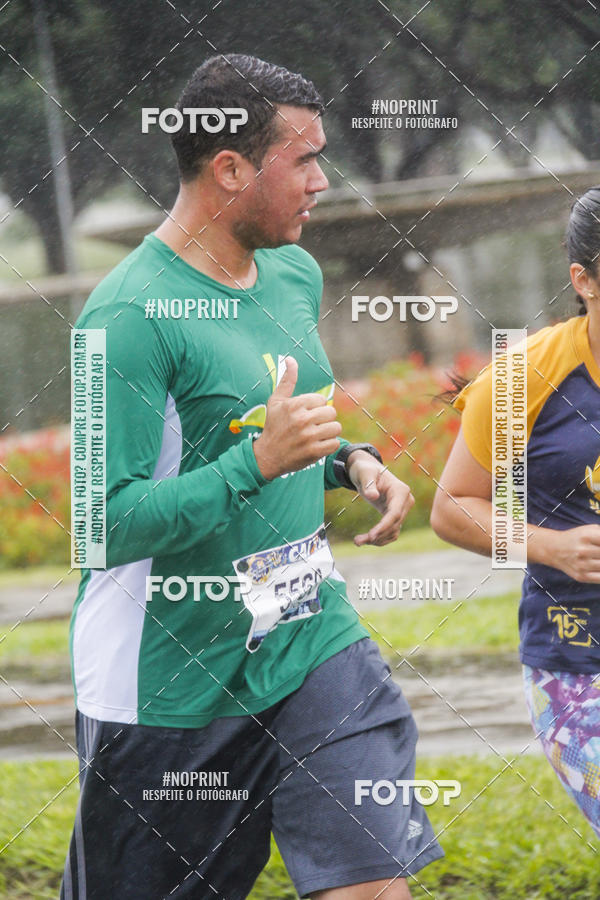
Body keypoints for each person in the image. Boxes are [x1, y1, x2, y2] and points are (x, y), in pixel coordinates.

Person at [61, 54, 443, 900]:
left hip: (308, 636)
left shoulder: (292, 273)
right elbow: (99, 524)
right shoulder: (124, 319)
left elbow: (288, 408)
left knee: (373, 885)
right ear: (230, 169)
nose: (321, 179)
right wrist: (254, 464)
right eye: (303, 159)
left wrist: (353, 459)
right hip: (169, 680)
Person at [431, 186, 600, 838]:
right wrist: (551, 547)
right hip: (576, 669)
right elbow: (452, 507)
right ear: (582, 280)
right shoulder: (522, 377)